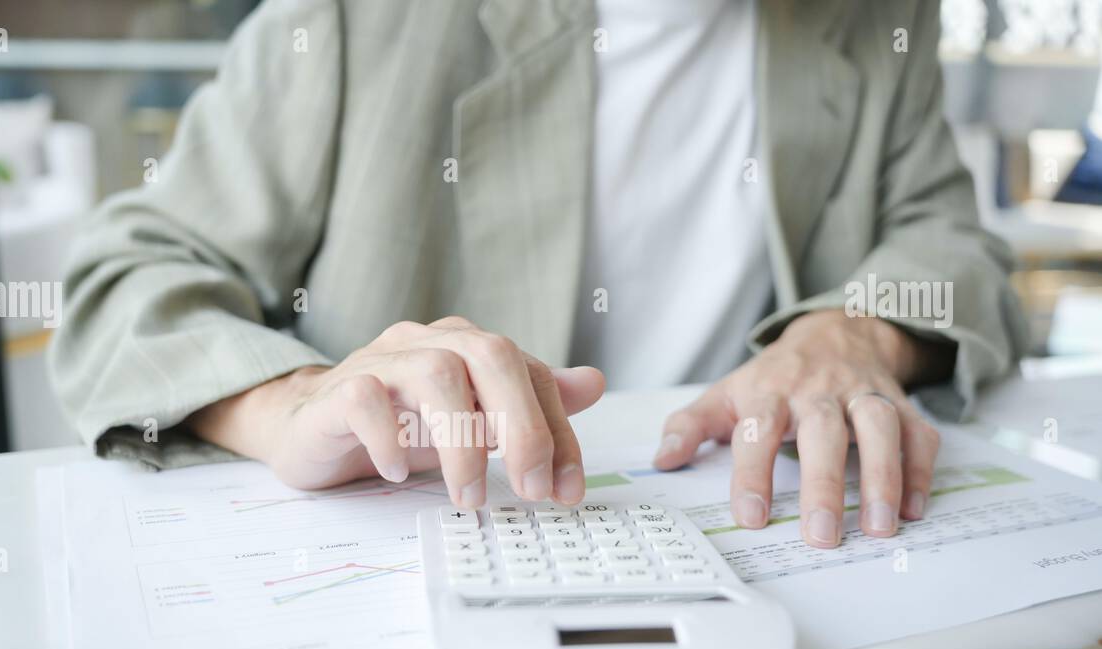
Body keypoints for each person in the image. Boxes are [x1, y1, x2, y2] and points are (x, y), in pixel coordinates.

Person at [50, 0, 1027, 549]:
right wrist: (298, 400)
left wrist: (850, 333)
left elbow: (953, 245)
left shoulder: (872, 19)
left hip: (747, 540)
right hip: (408, 550)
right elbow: (124, 279)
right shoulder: (354, 20)